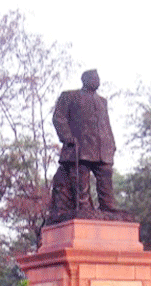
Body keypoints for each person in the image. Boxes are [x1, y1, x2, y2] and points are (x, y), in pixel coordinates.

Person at [49, 69, 118, 220]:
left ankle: (108, 206)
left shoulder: (102, 101)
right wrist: (67, 137)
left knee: (106, 175)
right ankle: (84, 207)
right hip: (81, 146)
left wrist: (112, 143)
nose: (97, 80)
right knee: (81, 177)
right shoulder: (69, 96)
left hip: (102, 148)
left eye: (98, 78)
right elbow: (58, 118)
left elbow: (106, 124)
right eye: (94, 78)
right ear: (85, 79)